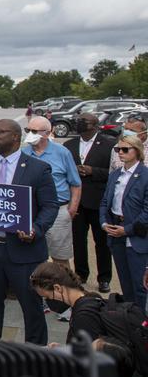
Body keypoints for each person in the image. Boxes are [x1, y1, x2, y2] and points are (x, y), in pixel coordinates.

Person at [0, 119, 58, 345]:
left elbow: (50, 206)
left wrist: (36, 229)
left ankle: (35, 354)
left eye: (0, 132)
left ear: (16, 137)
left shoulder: (37, 168)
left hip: (24, 252)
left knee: (32, 307)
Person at [32, 261, 144, 377]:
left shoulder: (83, 317)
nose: (49, 301)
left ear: (58, 288)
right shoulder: (91, 297)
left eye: (48, 297)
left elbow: (86, 365)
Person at [67, 112, 117, 293]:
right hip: (77, 202)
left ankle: (104, 277)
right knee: (78, 241)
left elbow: (114, 173)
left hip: (98, 201)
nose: (79, 123)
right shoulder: (69, 145)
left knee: (102, 242)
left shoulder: (109, 145)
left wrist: (92, 171)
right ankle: (81, 274)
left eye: (84, 121)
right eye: (78, 120)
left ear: (95, 125)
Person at [23, 116, 81, 271]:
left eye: (34, 131)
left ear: (47, 133)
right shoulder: (23, 153)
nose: (29, 134)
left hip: (59, 211)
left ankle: (64, 292)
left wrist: (72, 209)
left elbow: (75, 183)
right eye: (27, 130)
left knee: (59, 258)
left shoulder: (62, 153)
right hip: (32, 211)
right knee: (31, 255)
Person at [100, 134, 148, 309]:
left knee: (140, 285)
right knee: (125, 284)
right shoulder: (114, 175)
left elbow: (146, 212)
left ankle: (142, 324)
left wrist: (126, 230)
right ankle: (130, 321)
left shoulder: (145, 175)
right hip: (115, 233)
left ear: (137, 151)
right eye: (117, 149)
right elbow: (105, 202)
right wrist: (104, 223)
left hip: (136, 236)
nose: (120, 152)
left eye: (125, 149)